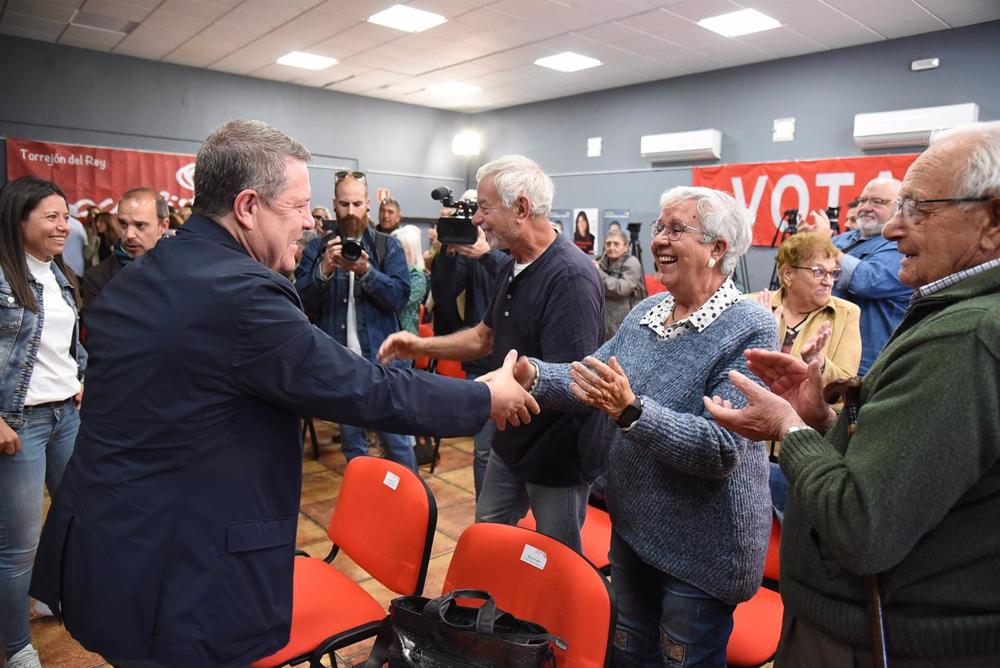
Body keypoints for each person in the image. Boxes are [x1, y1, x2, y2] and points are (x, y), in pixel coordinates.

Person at [29, 120, 538, 668]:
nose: (309, 221)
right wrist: (484, 397)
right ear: (248, 207)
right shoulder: (241, 296)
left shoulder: (146, 273)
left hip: (111, 549)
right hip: (179, 571)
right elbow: (364, 388)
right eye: (296, 206)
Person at [705, 121, 1000, 667]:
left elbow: (862, 526)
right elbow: (904, 469)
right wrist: (822, 421)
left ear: (993, 220)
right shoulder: (959, 319)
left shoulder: (965, 336)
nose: (892, 229)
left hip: (881, 639)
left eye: (917, 209)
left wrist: (789, 429)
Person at [515, 185, 777, 667]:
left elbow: (720, 448)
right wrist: (529, 373)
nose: (659, 239)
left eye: (676, 229)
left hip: (701, 552)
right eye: (660, 227)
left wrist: (631, 411)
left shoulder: (751, 327)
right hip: (634, 530)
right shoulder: (646, 313)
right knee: (629, 654)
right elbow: (589, 378)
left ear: (718, 248)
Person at [380, 155, 605, 552]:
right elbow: (485, 338)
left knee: (556, 560)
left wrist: (505, 382)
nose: (477, 220)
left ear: (521, 208)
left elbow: (576, 385)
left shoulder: (570, 276)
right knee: (486, 539)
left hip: (557, 457)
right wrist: (418, 345)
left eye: (484, 208)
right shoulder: (514, 265)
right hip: (510, 441)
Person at [0, 176, 86, 668]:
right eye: (51, 216)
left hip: (65, 415)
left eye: (65, 216)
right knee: (18, 546)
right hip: (20, 425)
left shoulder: (58, 272)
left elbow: (65, 341)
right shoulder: (3, 275)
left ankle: (47, 594)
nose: (63, 226)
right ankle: (16, 647)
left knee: (74, 518)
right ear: (20, 219)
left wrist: (80, 375)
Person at [295, 173, 417, 470]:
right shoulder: (318, 249)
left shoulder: (387, 247)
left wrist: (366, 272)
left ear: (368, 205)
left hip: (383, 364)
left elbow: (399, 297)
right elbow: (300, 303)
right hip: (339, 364)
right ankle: (366, 496)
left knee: (397, 442)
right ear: (334, 204)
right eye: (345, 204)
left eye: (357, 204)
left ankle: (411, 498)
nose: (351, 211)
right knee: (353, 446)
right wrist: (323, 270)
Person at [749, 232, 861, 516]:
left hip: (801, 454)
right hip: (749, 452)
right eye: (819, 271)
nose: (829, 280)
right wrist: (761, 332)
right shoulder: (752, 305)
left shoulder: (847, 313)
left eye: (833, 273)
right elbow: (732, 375)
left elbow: (845, 387)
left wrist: (818, 363)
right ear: (788, 274)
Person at [425, 190, 506, 497]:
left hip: (518, 359)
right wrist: (448, 251)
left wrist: (485, 254)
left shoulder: (508, 245)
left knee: (514, 452)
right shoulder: (468, 252)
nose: (477, 220)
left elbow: (515, 277)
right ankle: (485, 515)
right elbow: (444, 294)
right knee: (484, 449)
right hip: (481, 361)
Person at [799, 177, 912, 374]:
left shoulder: (901, 246)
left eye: (877, 202)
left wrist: (825, 244)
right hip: (824, 353)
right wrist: (808, 245)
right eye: (862, 200)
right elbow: (805, 278)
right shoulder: (842, 240)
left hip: (868, 364)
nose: (866, 207)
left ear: (899, 207)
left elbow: (866, 280)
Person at [82, 188, 169, 313]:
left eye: (140, 225)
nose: (129, 235)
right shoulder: (98, 277)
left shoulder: (186, 268)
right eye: (123, 224)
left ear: (163, 226)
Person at [596, 228, 645, 340]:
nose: (611, 247)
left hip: (623, 324)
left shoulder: (632, 262)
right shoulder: (600, 262)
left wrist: (597, 272)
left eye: (616, 244)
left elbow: (621, 289)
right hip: (602, 322)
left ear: (626, 247)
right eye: (608, 244)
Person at [391, 224, 427, 336]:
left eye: (401, 251)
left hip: (405, 337)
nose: (393, 254)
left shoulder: (417, 277)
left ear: (412, 252)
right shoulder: (388, 271)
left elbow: (395, 302)